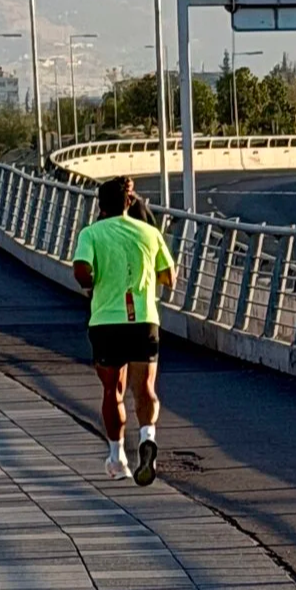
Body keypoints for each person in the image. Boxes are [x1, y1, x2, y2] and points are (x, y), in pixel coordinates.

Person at [71, 174, 173, 484]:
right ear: (128, 202)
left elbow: (81, 271)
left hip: (107, 322)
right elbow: (169, 276)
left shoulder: (91, 234)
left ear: (100, 206)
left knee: (113, 390)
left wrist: (94, 281)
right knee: (145, 388)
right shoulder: (149, 233)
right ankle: (147, 437)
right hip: (144, 320)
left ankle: (117, 459)